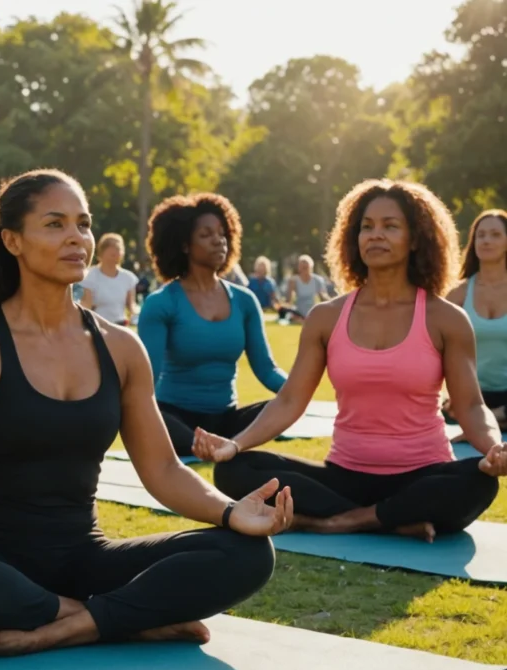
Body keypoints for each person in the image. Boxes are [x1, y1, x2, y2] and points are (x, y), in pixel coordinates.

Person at [0, 170, 290, 662]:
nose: (76, 239)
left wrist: (232, 512)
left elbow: (164, 470)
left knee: (248, 553)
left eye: (82, 224)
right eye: (55, 225)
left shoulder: (121, 348)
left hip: (83, 557)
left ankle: (57, 627)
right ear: (13, 241)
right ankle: (121, 618)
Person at [197, 180, 505, 541]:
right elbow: (291, 399)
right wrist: (235, 443)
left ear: (417, 238)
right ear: (353, 238)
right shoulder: (326, 317)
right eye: (367, 227)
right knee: (235, 470)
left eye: (390, 226)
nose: (376, 235)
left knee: (478, 483)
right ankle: (381, 520)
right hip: (342, 478)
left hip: (422, 474)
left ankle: (335, 521)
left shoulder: (446, 318)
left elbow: (469, 404)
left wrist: (493, 446)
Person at [137, 194, 287, 457]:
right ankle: (215, 446)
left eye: (222, 233)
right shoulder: (161, 303)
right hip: (175, 420)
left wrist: (298, 393)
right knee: (149, 417)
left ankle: (221, 445)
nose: (219, 240)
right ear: (185, 245)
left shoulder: (244, 301)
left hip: (227, 421)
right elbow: (145, 382)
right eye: (206, 235)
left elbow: (267, 369)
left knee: (284, 406)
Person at [446, 210, 507, 430]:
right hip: (471, 397)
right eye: (481, 235)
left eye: (495, 235)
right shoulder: (458, 294)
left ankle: (490, 420)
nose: (486, 241)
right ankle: (489, 421)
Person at [79, 233, 139, 326]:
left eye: (118, 248)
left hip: (120, 326)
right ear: (101, 252)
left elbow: (131, 305)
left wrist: (136, 315)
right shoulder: (89, 275)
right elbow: (86, 305)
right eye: (111, 247)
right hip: (98, 325)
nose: (116, 251)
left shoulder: (129, 277)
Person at [284, 254, 331, 321]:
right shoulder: (293, 281)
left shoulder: (318, 280)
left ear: (311, 268)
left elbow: (324, 297)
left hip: (313, 312)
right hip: (298, 312)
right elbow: (288, 301)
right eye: (302, 267)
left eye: (306, 267)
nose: (304, 270)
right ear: (299, 268)